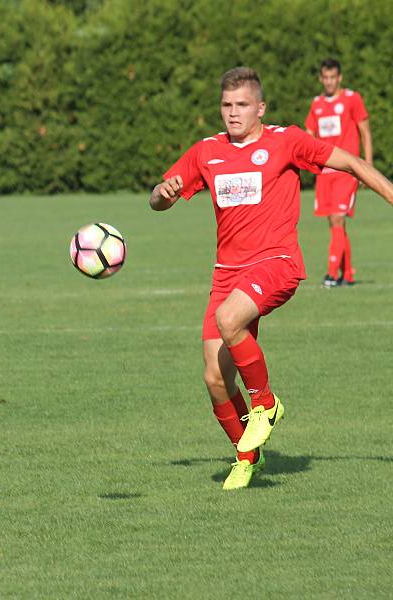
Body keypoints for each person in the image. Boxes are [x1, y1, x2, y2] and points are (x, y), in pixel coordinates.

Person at [150, 67, 393, 490]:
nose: (233, 113)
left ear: (260, 108)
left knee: (229, 321)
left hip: (276, 262)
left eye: (242, 105)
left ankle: (265, 404)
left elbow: (351, 162)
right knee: (214, 377)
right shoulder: (207, 152)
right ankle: (248, 455)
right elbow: (158, 197)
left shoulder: (286, 141)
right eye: (226, 105)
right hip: (227, 273)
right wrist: (163, 193)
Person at [304, 58, 372, 288]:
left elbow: (365, 132)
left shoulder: (353, 99)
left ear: (339, 78)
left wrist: (367, 167)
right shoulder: (317, 105)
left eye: (334, 77)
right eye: (326, 77)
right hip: (325, 173)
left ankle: (332, 274)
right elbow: (309, 133)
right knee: (335, 224)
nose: (330, 81)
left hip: (347, 170)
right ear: (321, 79)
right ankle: (348, 274)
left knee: (337, 218)